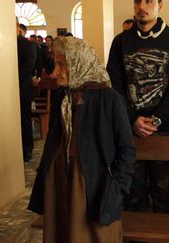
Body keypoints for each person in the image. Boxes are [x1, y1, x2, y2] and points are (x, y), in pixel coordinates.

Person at [28, 37, 135, 243]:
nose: (54, 72)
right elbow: (54, 141)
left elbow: (127, 150)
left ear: (80, 63)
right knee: (61, 233)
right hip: (58, 183)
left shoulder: (109, 98)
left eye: (61, 65)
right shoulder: (63, 97)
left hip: (94, 186)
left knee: (95, 235)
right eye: (55, 64)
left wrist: (116, 188)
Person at [107, 0, 169, 213]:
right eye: (137, 1)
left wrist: (158, 119)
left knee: (162, 191)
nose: (142, 5)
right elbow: (115, 85)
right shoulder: (120, 42)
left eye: (149, 1)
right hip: (130, 129)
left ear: (160, 5)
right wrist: (132, 119)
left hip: (164, 128)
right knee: (134, 192)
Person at [16, 18, 36, 162]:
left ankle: (26, 149)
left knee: (24, 120)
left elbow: (27, 69)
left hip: (22, 88)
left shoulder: (27, 45)